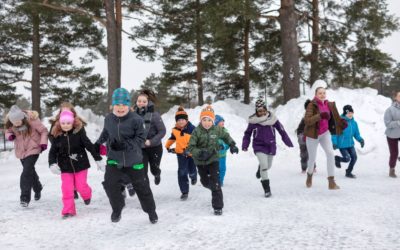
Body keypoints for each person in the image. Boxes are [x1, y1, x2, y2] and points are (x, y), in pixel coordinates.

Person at [96, 88, 158, 223]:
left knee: (142, 188)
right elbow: (106, 132)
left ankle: (151, 211)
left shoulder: (135, 119)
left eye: (123, 104)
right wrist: (98, 143)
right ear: (113, 105)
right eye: (117, 104)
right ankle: (117, 208)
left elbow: (141, 139)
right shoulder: (109, 119)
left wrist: (125, 145)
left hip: (134, 160)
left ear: (129, 105)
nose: (120, 108)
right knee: (110, 184)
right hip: (114, 159)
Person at [48, 109, 104, 218]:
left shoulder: (79, 133)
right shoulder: (57, 135)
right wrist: (52, 163)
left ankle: (87, 194)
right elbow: (53, 152)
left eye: (68, 123)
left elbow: (89, 146)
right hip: (65, 166)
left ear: (72, 122)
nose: (65, 125)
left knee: (80, 186)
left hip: (80, 164)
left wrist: (98, 159)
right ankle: (69, 210)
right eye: (63, 123)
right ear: (59, 123)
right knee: (67, 189)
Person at [188, 105, 238, 215]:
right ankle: (213, 188)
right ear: (201, 120)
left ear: (213, 121)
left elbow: (226, 136)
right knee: (205, 182)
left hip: (213, 159)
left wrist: (232, 145)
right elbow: (190, 147)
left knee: (216, 182)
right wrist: (200, 153)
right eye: (204, 120)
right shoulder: (196, 131)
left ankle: (218, 206)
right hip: (200, 161)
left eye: (209, 120)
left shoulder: (217, 130)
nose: (207, 122)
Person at [242, 99, 293, 197]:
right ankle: (267, 189)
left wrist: (287, 141)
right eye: (259, 111)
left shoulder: (273, 119)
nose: (261, 113)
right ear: (256, 112)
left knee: (268, 166)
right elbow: (247, 134)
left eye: (263, 110)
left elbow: (281, 130)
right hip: (259, 145)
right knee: (264, 166)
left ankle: (260, 168)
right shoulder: (253, 122)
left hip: (271, 145)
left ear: (266, 109)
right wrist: (245, 145)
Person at [304, 85, 347, 189]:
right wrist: (320, 116)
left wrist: (342, 122)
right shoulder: (311, 105)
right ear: (316, 95)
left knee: (330, 153)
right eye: (320, 93)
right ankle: (309, 175)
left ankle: (331, 182)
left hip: (325, 133)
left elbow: (336, 117)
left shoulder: (329, 104)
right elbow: (307, 120)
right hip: (313, 135)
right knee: (312, 159)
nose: (322, 95)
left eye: (324, 93)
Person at [5, 105, 48, 207]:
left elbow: (44, 131)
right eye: (14, 122)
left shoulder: (32, 121)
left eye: (18, 121)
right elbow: (8, 131)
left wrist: (43, 143)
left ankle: (24, 198)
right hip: (21, 151)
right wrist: (10, 136)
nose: (17, 123)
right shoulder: (12, 125)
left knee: (26, 172)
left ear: (22, 118)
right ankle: (37, 188)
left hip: (34, 148)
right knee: (29, 170)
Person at [134, 90, 166, 185]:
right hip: (141, 149)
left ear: (148, 103)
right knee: (142, 172)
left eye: (144, 101)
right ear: (136, 102)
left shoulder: (155, 115)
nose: (141, 103)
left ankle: (157, 174)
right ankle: (146, 192)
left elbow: (162, 131)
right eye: (139, 101)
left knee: (154, 169)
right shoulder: (132, 116)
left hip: (155, 148)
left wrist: (151, 141)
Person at [165, 107, 197, 200]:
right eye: (179, 120)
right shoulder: (175, 130)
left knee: (192, 168)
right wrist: (167, 146)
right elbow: (172, 138)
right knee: (182, 172)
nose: (181, 122)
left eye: (183, 119)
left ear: (186, 120)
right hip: (180, 154)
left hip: (191, 154)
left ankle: (193, 175)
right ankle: (184, 192)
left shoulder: (193, 129)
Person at [332, 105, 364, 178]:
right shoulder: (340, 122)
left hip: (350, 144)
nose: (350, 114)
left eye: (351, 112)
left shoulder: (354, 123)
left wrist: (361, 140)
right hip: (342, 145)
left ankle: (348, 172)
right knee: (347, 159)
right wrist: (334, 143)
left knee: (354, 157)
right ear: (345, 114)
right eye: (348, 113)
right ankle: (337, 158)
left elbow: (356, 134)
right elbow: (334, 134)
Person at [296, 100, 316, 174]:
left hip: (311, 138)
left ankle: (313, 167)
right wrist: (302, 137)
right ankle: (304, 168)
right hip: (303, 138)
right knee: (304, 154)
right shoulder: (304, 119)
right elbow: (299, 130)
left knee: (311, 153)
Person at [383, 90, 400, 178]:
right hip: (392, 134)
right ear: (396, 98)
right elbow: (387, 124)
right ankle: (391, 170)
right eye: (399, 96)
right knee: (394, 153)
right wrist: (398, 122)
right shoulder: (390, 110)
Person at [214, 115, 230, 186]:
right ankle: (214, 180)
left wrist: (224, 146)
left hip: (223, 155)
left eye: (223, 121)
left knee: (222, 168)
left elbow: (228, 142)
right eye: (221, 121)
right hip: (214, 155)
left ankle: (220, 181)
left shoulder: (225, 132)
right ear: (216, 123)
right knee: (214, 169)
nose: (222, 122)